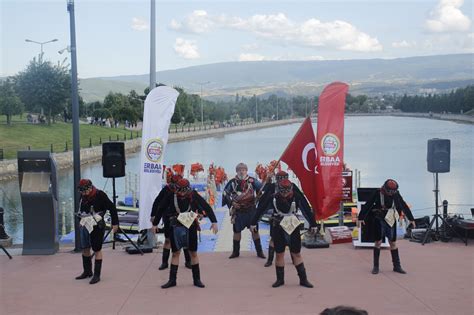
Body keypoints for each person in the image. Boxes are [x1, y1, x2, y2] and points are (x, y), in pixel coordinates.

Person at [152, 179, 218, 288]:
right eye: (180, 191)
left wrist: (214, 222)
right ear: (176, 189)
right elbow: (161, 207)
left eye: (184, 191)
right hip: (175, 226)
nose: (182, 193)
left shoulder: (193, 195)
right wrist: (155, 224)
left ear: (188, 189)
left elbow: (206, 206)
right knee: (175, 253)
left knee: (193, 253)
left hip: (190, 226)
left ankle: (197, 280)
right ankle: (172, 280)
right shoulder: (170, 195)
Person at [252, 178, 317, 288]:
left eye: (288, 191)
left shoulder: (297, 196)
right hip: (278, 228)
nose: (285, 193)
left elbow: (306, 209)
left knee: (296, 253)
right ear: (278, 189)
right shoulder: (272, 198)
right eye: (283, 191)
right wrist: (253, 222)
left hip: (293, 228)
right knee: (279, 254)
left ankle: (303, 279)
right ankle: (280, 280)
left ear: (291, 188)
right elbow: (261, 209)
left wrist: (313, 224)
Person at [358, 179, 416, 275]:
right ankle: (376, 266)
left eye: (393, 191)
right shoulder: (377, 193)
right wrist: (361, 217)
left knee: (392, 242)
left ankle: (397, 266)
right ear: (385, 189)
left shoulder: (396, 194)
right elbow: (368, 205)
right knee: (378, 242)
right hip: (379, 219)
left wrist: (411, 218)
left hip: (391, 219)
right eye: (390, 191)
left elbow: (403, 205)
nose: (391, 193)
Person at [75, 179, 119, 284]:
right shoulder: (82, 196)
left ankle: (96, 275)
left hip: (97, 225)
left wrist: (115, 223)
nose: (83, 194)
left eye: (85, 191)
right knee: (85, 247)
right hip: (85, 223)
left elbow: (112, 208)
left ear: (90, 188)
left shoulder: (100, 195)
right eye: (81, 192)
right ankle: (87, 271)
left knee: (97, 249)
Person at [222, 162, 265, 259]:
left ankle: (259, 252)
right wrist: (232, 203)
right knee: (236, 231)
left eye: (243, 170)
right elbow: (225, 193)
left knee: (255, 231)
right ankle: (235, 252)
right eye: (240, 170)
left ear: (246, 170)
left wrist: (260, 194)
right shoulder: (232, 182)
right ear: (236, 171)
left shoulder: (252, 181)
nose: (242, 172)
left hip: (251, 211)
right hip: (238, 212)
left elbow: (262, 189)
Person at [150, 174, 192, 270]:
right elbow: (157, 203)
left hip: (185, 216)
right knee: (168, 240)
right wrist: (153, 215)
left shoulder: (187, 191)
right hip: (169, 217)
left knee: (186, 239)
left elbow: (195, 202)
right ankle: (164, 262)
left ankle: (188, 261)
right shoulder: (167, 190)